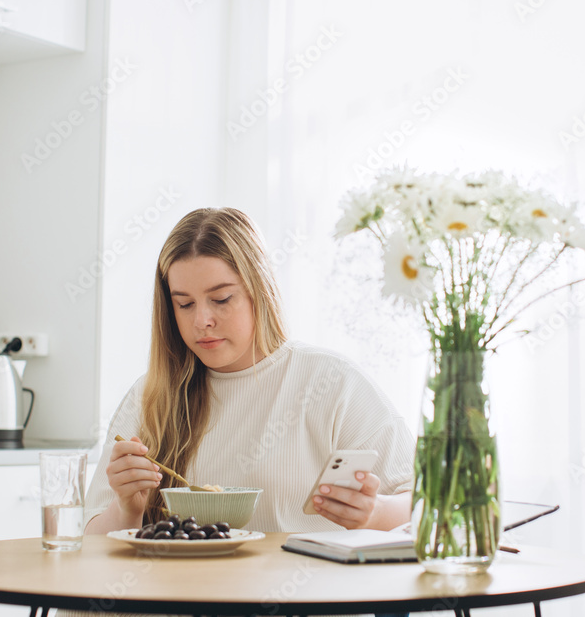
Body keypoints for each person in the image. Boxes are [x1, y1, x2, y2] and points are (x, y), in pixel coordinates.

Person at [83, 207, 415, 539]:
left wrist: (376, 512)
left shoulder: (331, 382)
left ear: (259, 290)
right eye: (184, 304)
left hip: (307, 589)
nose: (202, 321)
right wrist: (127, 509)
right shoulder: (150, 396)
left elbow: (427, 505)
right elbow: (90, 541)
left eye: (221, 299)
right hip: (185, 591)